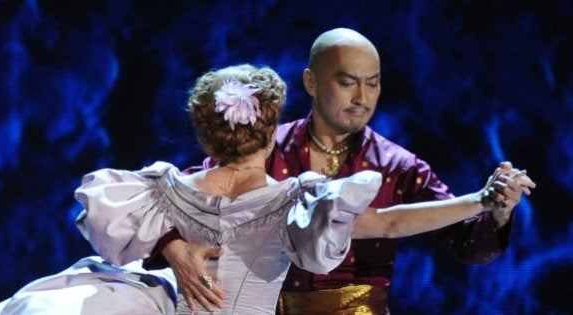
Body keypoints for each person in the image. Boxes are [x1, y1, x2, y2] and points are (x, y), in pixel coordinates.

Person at [0, 63, 532, 315]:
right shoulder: (295, 202)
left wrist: (168, 241)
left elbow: (95, 215)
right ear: (273, 134)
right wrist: (481, 200)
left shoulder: (165, 184)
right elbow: (389, 222)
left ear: (207, 132)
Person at [156, 28, 536, 314]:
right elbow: (179, 198)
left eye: (372, 84)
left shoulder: (396, 165)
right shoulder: (264, 148)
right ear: (311, 82)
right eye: (347, 82)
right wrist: (175, 249)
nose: (362, 98)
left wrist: (498, 211)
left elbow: (466, 242)